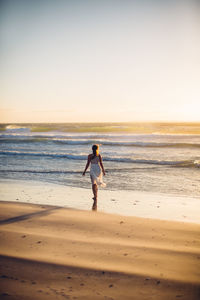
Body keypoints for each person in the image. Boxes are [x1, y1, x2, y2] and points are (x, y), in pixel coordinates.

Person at [82, 144, 106, 210]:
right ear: (97, 149)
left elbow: (87, 164)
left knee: (93, 183)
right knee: (96, 183)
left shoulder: (90, 156)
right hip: (98, 169)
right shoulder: (99, 155)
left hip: (92, 169)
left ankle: (95, 196)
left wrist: (84, 171)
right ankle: (96, 195)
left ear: (92, 149)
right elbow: (101, 164)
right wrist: (103, 171)